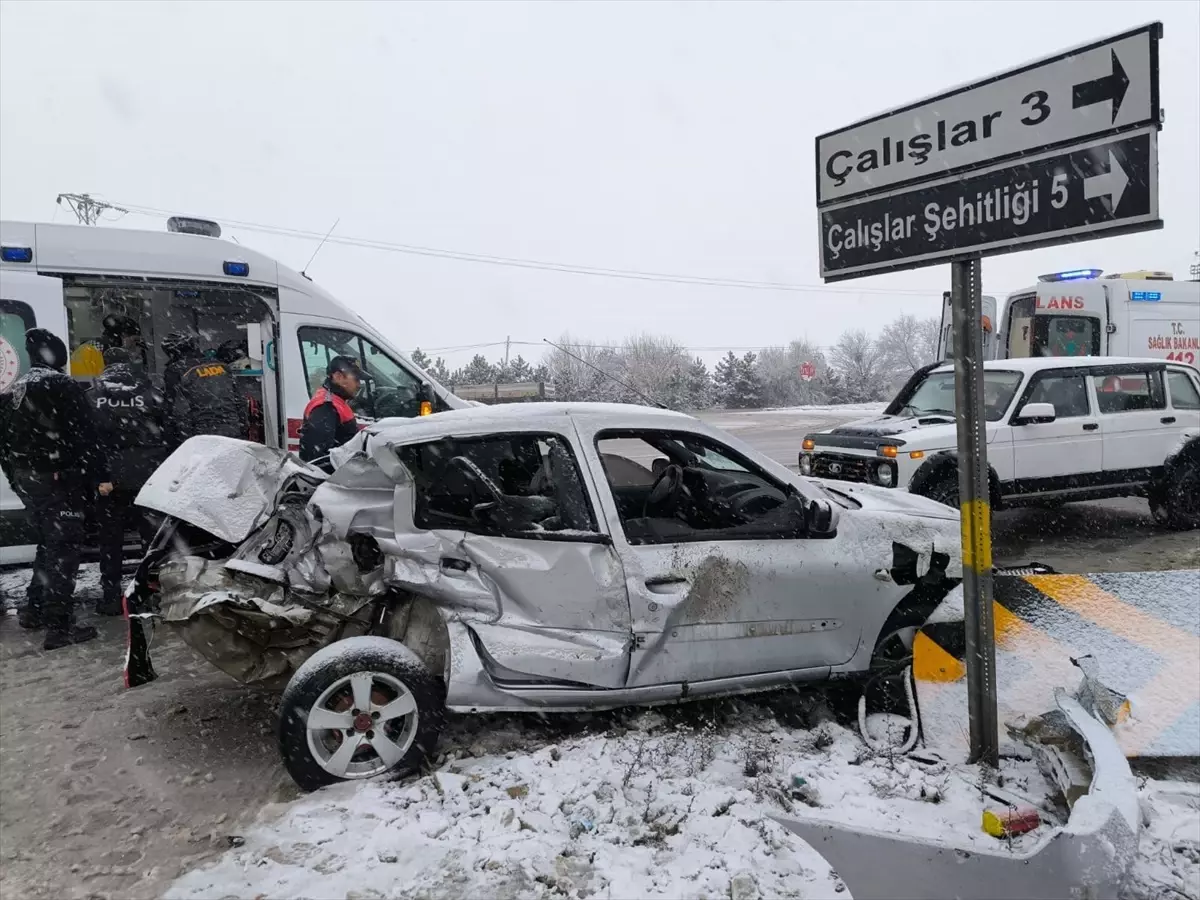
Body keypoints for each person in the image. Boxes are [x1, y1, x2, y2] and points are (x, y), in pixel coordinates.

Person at [0, 328, 112, 649]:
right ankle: (59, 626)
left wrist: (17, 478)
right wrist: (99, 476)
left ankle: (34, 609)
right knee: (64, 548)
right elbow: (86, 436)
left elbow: (3, 443)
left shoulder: (16, 387)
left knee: (48, 543)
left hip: (28, 481)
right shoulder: (61, 386)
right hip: (58, 479)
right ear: (58, 357)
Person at [88, 347, 170, 615]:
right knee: (151, 540)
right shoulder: (151, 393)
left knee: (110, 542)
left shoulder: (92, 396)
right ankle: (148, 594)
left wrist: (100, 476)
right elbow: (170, 432)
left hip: (109, 482)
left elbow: (86, 441)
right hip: (147, 478)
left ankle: (111, 597)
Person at [161, 332, 244, 446]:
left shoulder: (175, 370)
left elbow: (174, 408)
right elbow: (240, 402)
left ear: (171, 353)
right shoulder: (221, 365)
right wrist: (242, 426)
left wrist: (173, 439)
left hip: (202, 432)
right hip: (231, 428)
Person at [298, 355, 367, 468]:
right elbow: (318, 461)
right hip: (334, 481)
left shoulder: (336, 401)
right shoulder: (325, 407)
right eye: (356, 379)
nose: (359, 384)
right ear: (338, 376)